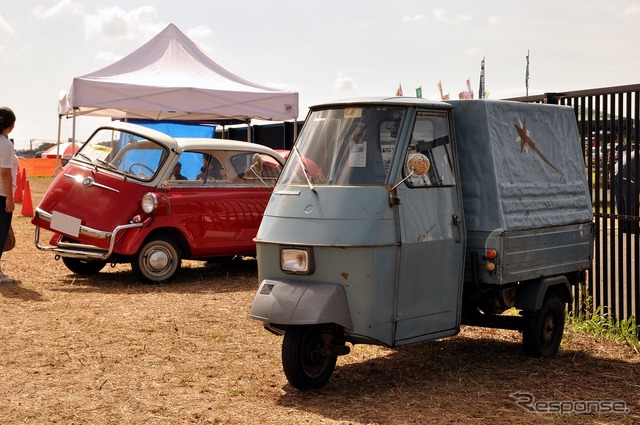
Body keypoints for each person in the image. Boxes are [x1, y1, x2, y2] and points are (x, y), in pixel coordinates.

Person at [0, 107, 18, 283]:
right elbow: (5, 173)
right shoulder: (5, 144)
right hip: (0, 194)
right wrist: (10, 198)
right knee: (1, 232)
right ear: (11, 126)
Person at [613, 150, 638, 233]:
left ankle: (623, 225)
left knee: (621, 202)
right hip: (626, 176)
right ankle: (632, 226)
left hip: (615, 172)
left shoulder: (635, 153)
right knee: (631, 202)